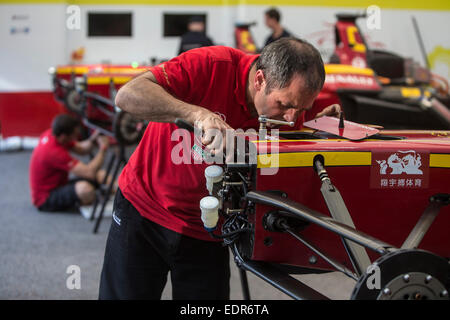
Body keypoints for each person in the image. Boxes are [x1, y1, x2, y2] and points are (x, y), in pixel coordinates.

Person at [99, 38, 340, 300]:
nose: (291, 118)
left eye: (300, 109)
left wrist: (321, 125)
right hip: (145, 211)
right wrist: (198, 115)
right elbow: (127, 95)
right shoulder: (212, 65)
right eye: (283, 105)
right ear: (259, 80)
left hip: (209, 229)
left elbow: (299, 140)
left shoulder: (291, 103)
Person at [29, 114, 111, 212]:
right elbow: (90, 172)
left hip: (59, 184)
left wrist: (94, 138)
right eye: (75, 135)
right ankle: (83, 202)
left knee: (102, 175)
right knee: (86, 190)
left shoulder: (53, 134)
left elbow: (82, 149)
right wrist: (103, 149)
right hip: (45, 198)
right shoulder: (54, 153)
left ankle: (124, 196)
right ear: (64, 136)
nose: (77, 137)